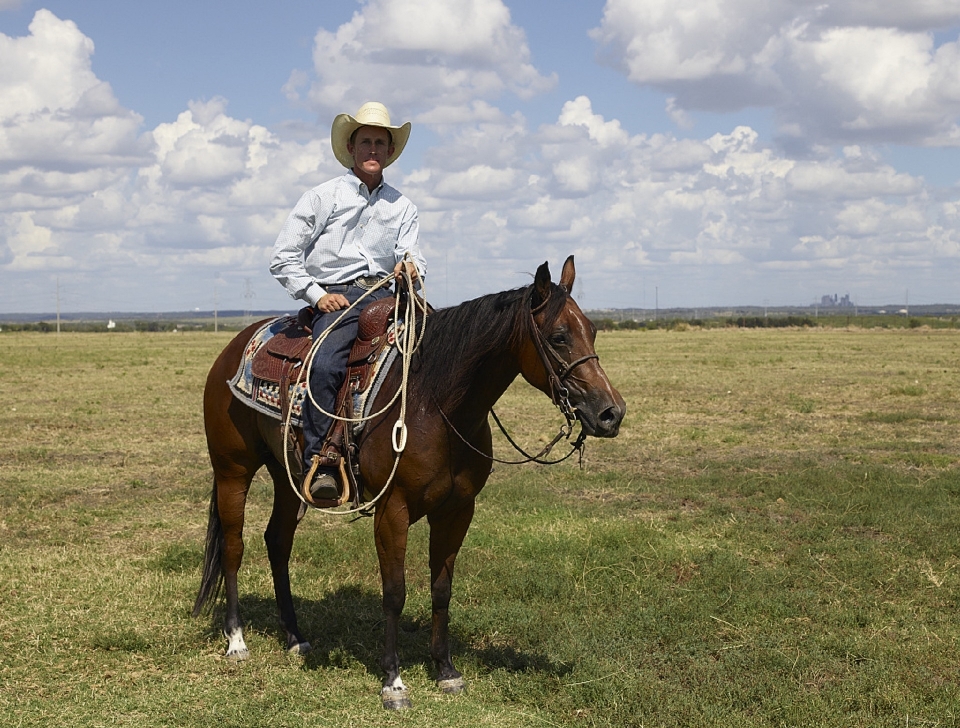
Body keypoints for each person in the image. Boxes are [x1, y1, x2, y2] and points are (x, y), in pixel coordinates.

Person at [270, 101, 426, 501]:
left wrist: (411, 270)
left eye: (380, 143)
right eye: (366, 142)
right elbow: (283, 256)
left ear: (390, 151)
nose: (373, 150)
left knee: (436, 355)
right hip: (338, 298)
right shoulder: (322, 197)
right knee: (325, 365)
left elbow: (412, 254)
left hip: (389, 296)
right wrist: (317, 296)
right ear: (352, 149)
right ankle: (322, 461)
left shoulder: (403, 206)